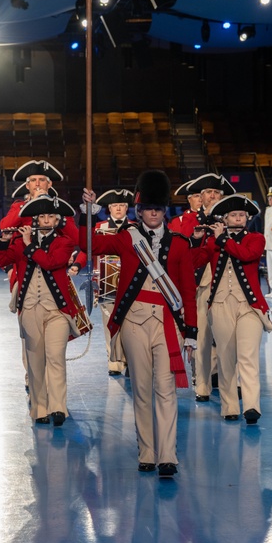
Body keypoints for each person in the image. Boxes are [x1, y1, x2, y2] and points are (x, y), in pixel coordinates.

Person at [81, 170, 198, 478]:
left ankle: (168, 455)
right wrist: (90, 213)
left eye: (158, 209)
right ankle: (147, 452)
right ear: (140, 210)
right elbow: (87, 243)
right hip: (133, 321)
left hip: (167, 323)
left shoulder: (180, 245)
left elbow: (187, 292)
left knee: (166, 388)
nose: (153, 213)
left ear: (164, 210)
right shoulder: (125, 239)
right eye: (148, 208)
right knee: (142, 388)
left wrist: (192, 333)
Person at [0, 195, 83, 426]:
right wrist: (4, 240)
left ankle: (58, 407)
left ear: (58, 219)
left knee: (55, 358)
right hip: (29, 308)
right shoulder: (20, 241)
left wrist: (29, 244)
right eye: (42, 216)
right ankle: (40, 408)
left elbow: (51, 262)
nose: (46, 220)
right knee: (35, 360)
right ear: (36, 219)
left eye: (51, 216)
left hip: (57, 311)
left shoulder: (64, 242)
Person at [201, 194, 272, 424]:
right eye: (233, 215)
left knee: (248, 356)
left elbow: (247, 255)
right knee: (225, 357)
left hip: (249, 306)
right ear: (224, 218)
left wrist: (222, 239)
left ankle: (252, 406)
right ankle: (230, 405)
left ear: (247, 217)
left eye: (241, 215)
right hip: (221, 304)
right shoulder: (213, 241)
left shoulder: (256, 238)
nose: (238, 218)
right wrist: (196, 240)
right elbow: (195, 261)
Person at [180, 172, 234, 402]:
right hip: (201, 283)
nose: (212, 196)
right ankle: (201, 385)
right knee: (201, 338)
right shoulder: (191, 221)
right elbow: (184, 255)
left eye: (216, 193)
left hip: (227, 283)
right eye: (208, 193)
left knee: (228, 337)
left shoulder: (232, 217)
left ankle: (229, 383)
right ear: (200, 197)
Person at [93, 188, 134, 377]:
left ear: (127, 208)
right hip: (105, 280)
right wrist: (78, 265)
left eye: (122, 205)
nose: (118, 209)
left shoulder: (135, 227)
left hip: (130, 280)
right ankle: (114, 361)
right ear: (109, 208)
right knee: (109, 321)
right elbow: (91, 249)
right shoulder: (100, 227)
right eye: (115, 205)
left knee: (130, 322)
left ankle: (128, 359)